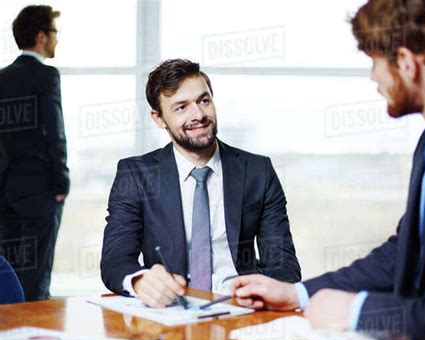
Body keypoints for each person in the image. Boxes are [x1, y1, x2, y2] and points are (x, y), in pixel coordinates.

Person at [231, 0, 425, 340]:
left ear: (406, 63)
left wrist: (361, 310)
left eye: (375, 63)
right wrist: (297, 294)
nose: (373, 77)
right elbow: (404, 251)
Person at [100, 59, 301, 308]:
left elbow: (282, 262)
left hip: (241, 307)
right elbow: (115, 259)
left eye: (204, 101)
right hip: (171, 310)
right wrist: (142, 281)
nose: (198, 115)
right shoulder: (136, 174)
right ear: (159, 118)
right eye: (181, 107)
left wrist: (275, 298)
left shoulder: (258, 171)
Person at [0, 5, 69, 301]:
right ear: (41, 36)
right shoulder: (46, 75)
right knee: (37, 273)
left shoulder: (1, 77)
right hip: (39, 190)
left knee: (10, 271)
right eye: (54, 33)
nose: (56, 40)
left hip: (5, 191)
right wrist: (61, 182)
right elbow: (55, 132)